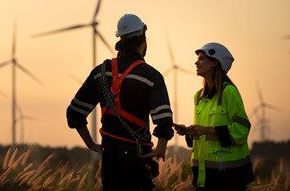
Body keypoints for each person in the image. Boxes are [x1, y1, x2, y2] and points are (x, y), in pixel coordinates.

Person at [66, 13, 174, 190]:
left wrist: (92, 144)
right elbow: (163, 120)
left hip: (108, 158)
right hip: (137, 159)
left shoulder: (100, 72)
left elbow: (74, 113)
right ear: (143, 39)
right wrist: (161, 147)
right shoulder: (151, 76)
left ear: (120, 39)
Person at [174, 42, 255, 191]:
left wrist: (206, 130)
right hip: (204, 175)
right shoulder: (199, 97)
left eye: (202, 58)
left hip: (229, 176)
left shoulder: (229, 92)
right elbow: (203, 133)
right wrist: (189, 132)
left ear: (214, 63)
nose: (196, 62)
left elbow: (242, 129)